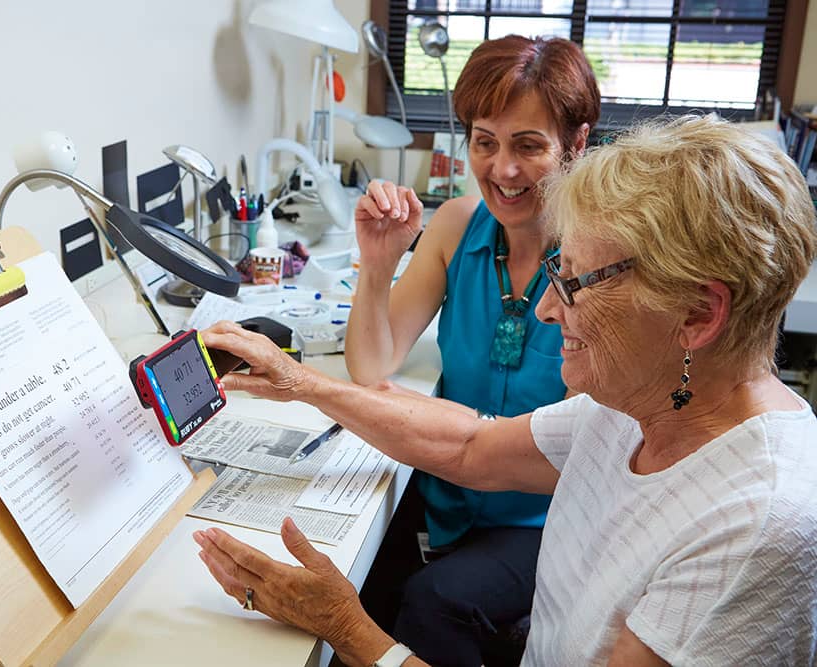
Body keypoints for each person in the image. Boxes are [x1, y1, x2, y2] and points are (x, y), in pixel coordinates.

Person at [194, 114, 817, 666]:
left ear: (697, 315)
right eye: (555, 273)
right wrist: (301, 383)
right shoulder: (639, 404)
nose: (546, 308)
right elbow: (470, 446)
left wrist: (347, 629)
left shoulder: (752, 530)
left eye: (575, 283)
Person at [343, 35, 600, 665]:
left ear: (577, 144)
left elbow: (568, 448)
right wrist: (378, 265)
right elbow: (371, 366)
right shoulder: (457, 226)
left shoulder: (600, 257)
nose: (502, 170)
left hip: (543, 521)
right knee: (351, 583)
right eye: (485, 142)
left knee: (433, 602)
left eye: (528, 146)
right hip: (449, 499)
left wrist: (433, 426)